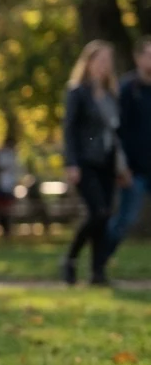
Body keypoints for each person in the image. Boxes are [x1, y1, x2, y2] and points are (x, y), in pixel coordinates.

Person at [61, 40, 129, 286]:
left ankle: (97, 272)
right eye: (101, 60)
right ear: (88, 63)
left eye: (108, 61)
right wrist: (71, 163)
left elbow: (115, 133)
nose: (105, 65)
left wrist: (121, 166)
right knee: (98, 212)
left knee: (105, 215)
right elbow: (69, 130)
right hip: (85, 161)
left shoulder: (112, 93)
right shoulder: (77, 92)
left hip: (107, 162)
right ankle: (70, 258)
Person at [108, 36, 151, 253]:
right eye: (149, 55)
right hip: (134, 170)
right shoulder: (126, 89)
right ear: (138, 58)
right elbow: (116, 131)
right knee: (125, 220)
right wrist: (121, 166)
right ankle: (99, 264)